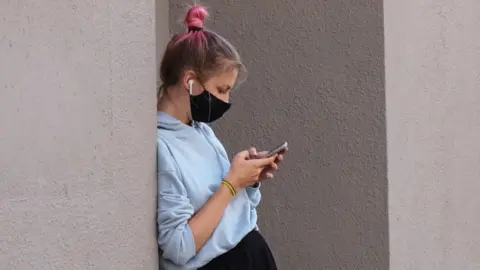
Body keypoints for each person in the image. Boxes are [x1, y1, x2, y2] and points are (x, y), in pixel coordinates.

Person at [156, 5, 286, 270]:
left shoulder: (202, 131)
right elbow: (178, 247)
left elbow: (233, 213)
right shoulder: (162, 147)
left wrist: (247, 181)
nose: (226, 100)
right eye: (221, 89)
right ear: (190, 81)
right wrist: (230, 183)